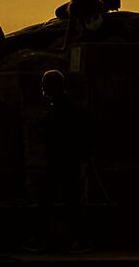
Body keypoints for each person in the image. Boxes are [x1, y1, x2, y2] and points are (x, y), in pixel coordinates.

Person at [33, 69, 91, 250]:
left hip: (61, 161)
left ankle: (42, 239)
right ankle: (78, 240)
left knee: (52, 203)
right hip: (67, 161)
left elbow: (58, 134)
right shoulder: (68, 105)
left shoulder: (61, 107)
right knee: (70, 203)